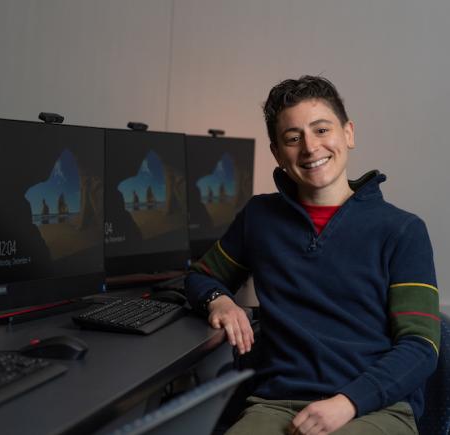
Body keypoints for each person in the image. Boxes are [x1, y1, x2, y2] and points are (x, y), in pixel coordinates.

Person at [185, 76, 440, 434]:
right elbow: (200, 276)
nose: (309, 147)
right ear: (277, 152)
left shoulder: (402, 230)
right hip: (275, 405)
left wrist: (346, 404)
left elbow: (421, 346)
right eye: (293, 138)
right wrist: (219, 301)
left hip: (374, 409)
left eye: (321, 130)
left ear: (348, 134)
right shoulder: (260, 218)